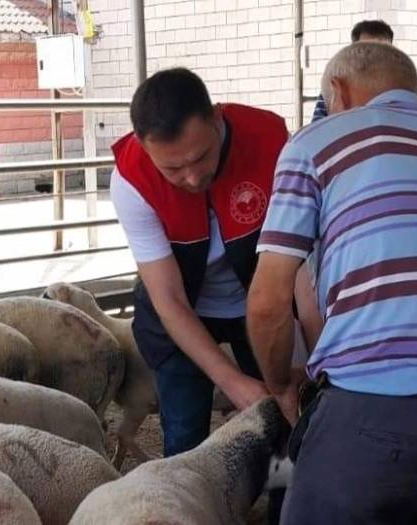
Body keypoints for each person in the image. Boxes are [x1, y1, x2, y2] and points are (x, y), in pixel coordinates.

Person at [247, 42, 417, 524]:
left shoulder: (317, 142)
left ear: (338, 91)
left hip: (371, 415)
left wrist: (283, 388)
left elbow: (268, 302)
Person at [110, 68, 289, 457]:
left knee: (284, 427)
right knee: (185, 438)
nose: (192, 178)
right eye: (172, 168)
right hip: (181, 311)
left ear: (216, 118)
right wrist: (232, 382)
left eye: (201, 156)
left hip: (260, 299)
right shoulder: (130, 180)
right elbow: (169, 298)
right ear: (145, 148)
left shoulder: (272, 143)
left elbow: (298, 257)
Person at [311, 19, 394, 122]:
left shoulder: (405, 89)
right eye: (366, 49)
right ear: (353, 50)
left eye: (382, 49)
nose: (374, 56)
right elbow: (317, 130)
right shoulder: (336, 89)